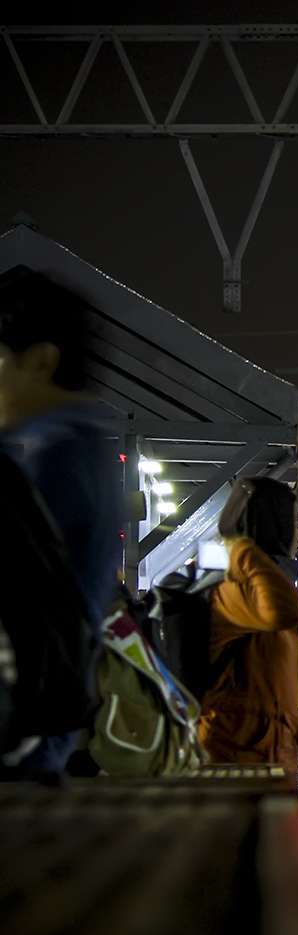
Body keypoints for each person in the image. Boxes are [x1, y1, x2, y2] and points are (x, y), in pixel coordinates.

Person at [0, 272, 119, 773]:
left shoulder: (46, 454)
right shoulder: (85, 444)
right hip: (45, 723)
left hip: (23, 722)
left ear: (41, 361)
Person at [198, 478, 298, 785]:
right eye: (291, 521)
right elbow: (288, 612)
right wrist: (244, 549)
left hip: (270, 754)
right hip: (234, 756)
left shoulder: (256, 585)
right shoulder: (234, 588)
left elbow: (273, 676)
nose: (297, 531)